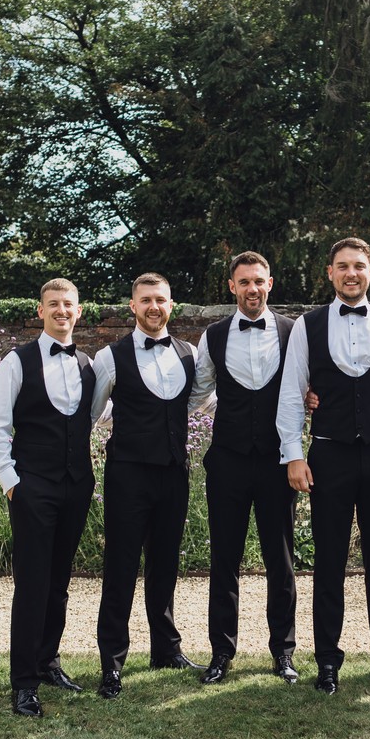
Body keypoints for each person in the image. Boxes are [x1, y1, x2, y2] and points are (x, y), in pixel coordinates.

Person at [276, 237, 370, 695]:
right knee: (328, 562)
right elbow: (292, 392)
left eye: (359, 265)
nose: (351, 273)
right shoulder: (307, 326)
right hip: (329, 454)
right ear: (330, 273)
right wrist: (294, 453)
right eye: (342, 266)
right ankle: (327, 661)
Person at [90, 272, 211, 699]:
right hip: (127, 475)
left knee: (165, 565)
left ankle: (166, 650)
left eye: (160, 300)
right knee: (120, 569)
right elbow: (92, 412)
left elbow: (203, 400)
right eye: (146, 300)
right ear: (133, 306)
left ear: (171, 305)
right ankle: (112, 663)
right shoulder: (109, 357)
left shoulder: (190, 354)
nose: (154, 307)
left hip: (173, 472)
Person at [0, 278, 97, 718]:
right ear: (41, 311)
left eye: (68, 304)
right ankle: (24, 683)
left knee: (59, 580)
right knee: (32, 583)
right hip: (32, 487)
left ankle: (48, 662)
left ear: (79, 311)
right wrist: (12, 482)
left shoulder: (88, 365)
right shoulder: (17, 361)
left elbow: (103, 412)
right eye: (54, 304)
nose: (61, 310)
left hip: (76, 485)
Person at [191, 251, 300, 686]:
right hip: (227, 462)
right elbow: (198, 391)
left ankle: (284, 652)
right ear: (232, 287)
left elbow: (309, 382)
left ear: (269, 284)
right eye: (244, 282)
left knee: (281, 559)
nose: (252, 289)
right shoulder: (214, 335)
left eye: (258, 281)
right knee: (224, 560)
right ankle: (221, 653)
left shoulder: (293, 331)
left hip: (277, 462)